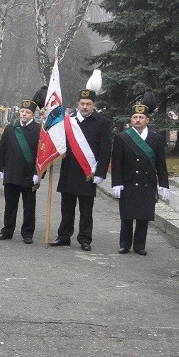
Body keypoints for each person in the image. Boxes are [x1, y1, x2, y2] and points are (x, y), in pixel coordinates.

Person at [50, 71, 113, 252]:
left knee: (86, 211)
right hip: (69, 171)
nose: (85, 106)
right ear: (78, 104)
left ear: (94, 105)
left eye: (88, 104)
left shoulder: (102, 123)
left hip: (89, 172)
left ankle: (85, 238)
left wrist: (100, 172)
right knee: (66, 208)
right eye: (82, 103)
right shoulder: (67, 122)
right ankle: (63, 236)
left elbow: (105, 149)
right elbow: (59, 143)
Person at [111, 93, 169, 256]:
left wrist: (164, 184)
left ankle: (139, 245)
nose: (137, 120)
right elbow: (117, 163)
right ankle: (124, 244)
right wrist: (116, 182)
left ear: (147, 120)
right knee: (127, 216)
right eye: (135, 117)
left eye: (141, 117)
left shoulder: (156, 139)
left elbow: (161, 163)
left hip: (147, 183)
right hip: (128, 182)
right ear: (131, 120)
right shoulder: (122, 137)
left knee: (143, 217)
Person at [0, 89, 44, 244]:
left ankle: (27, 233)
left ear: (33, 114)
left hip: (29, 175)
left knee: (29, 207)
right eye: (22, 111)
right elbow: (1, 149)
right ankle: (7, 230)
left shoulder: (39, 130)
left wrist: (39, 173)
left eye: (27, 112)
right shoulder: (11, 128)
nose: (23, 114)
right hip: (11, 173)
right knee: (10, 206)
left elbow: (42, 154)